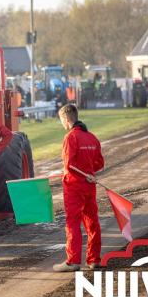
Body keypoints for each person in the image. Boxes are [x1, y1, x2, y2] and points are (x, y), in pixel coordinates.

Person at [53, 104, 105, 272]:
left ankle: (73, 261)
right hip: (89, 186)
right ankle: (94, 259)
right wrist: (89, 173)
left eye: (61, 120)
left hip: (74, 187)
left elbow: (68, 165)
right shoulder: (92, 138)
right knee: (92, 222)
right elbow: (99, 163)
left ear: (66, 119)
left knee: (73, 223)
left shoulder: (70, 138)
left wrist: (82, 173)